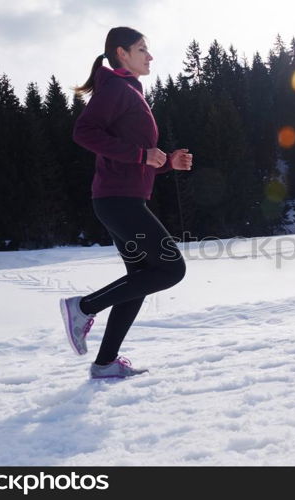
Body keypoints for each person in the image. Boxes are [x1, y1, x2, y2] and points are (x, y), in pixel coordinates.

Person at [61, 26, 191, 380]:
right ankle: (83, 307)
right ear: (121, 53)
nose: (150, 56)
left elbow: (139, 158)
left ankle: (105, 363)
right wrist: (141, 154)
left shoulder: (130, 89)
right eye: (141, 49)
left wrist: (165, 162)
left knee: (142, 279)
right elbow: (84, 132)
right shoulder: (117, 87)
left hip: (122, 198)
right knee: (170, 269)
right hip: (119, 201)